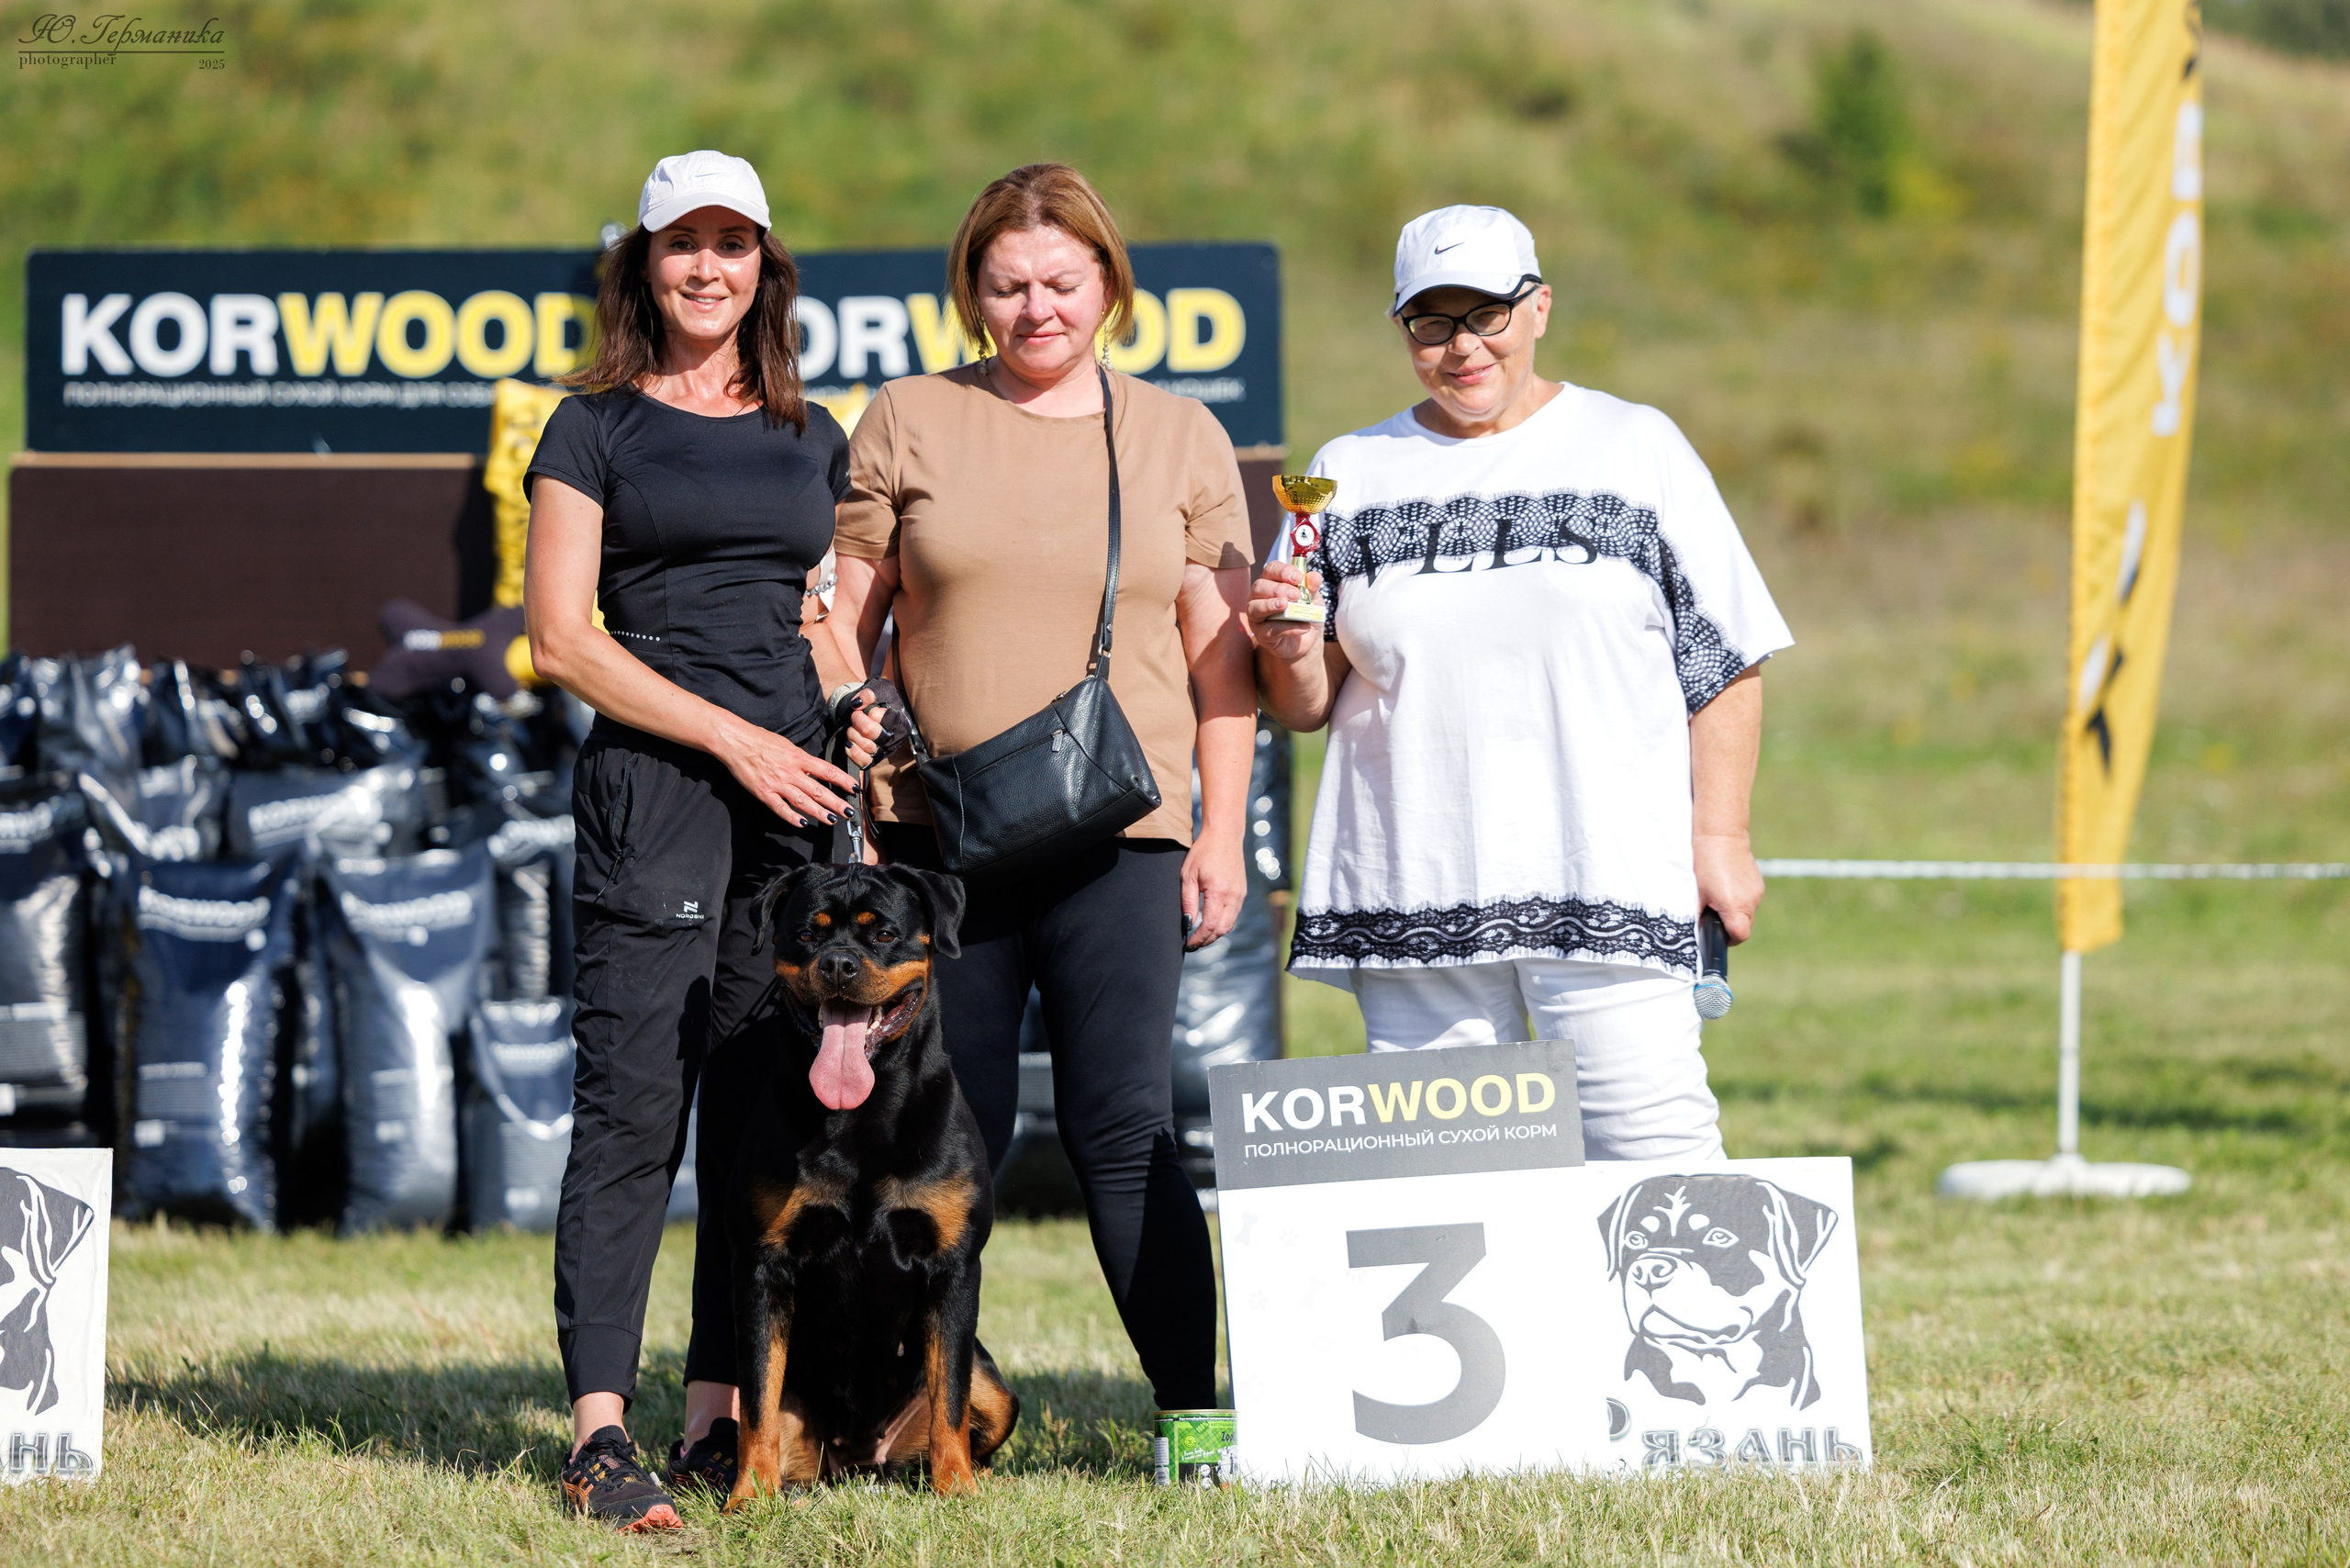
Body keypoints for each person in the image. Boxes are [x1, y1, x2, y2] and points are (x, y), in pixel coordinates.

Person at [827, 163, 1256, 1414]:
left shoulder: (1178, 433)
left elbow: (1221, 658)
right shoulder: (907, 416)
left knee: (1122, 1128)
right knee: (940, 1141)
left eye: (1062, 282)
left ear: (1110, 286)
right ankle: (903, 1406)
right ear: (972, 295)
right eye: (1007, 286)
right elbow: (842, 617)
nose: (1036, 309)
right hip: (937, 844)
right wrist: (846, 726)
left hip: (1122, 840)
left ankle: (1192, 1414)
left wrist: (1219, 832)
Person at [1249, 205, 1792, 1161]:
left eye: (1486, 315)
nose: (1462, 348)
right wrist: (1288, 647)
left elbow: (1725, 660)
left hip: (1607, 872)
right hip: (1411, 879)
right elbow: (1305, 707)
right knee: (1449, 1177)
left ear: (1538, 307)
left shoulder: (1637, 448)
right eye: (1431, 322)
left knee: (1650, 1148)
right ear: (1402, 328)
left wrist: (1721, 837)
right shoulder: (1349, 472)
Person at [523, 150, 882, 1529]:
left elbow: (827, 616)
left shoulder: (813, 432)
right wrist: (730, 737)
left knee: (758, 1119)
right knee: (631, 1115)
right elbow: (563, 639)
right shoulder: (592, 425)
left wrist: (854, 710)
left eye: (736, 244)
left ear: (766, 267)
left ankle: (720, 1420)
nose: (709, 267)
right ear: (645, 262)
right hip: (658, 800)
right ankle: (600, 1437)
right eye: (685, 244)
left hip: (796, 809)